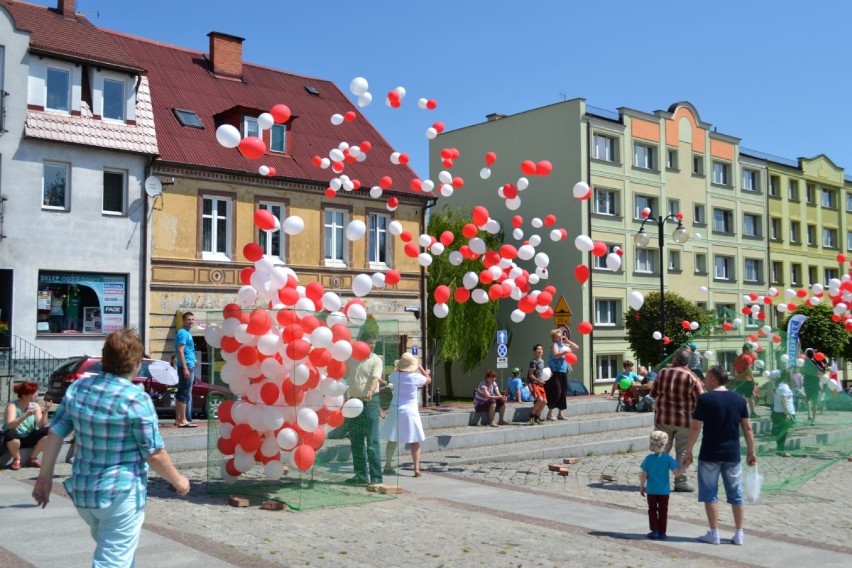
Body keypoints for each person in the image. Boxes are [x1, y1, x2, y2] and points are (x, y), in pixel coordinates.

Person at [32, 328, 189, 566]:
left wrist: (44, 478)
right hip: (120, 495)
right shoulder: (136, 399)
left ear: (104, 358)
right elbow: (154, 453)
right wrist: (178, 481)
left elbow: (55, 433)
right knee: (112, 562)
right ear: (137, 363)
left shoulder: (79, 389)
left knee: (118, 555)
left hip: (85, 494)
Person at [682, 365, 756, 546]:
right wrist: (751, 452)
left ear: (714, 379)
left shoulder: (705, 399)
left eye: (707, 377)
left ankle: (714, 533)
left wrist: (689, 450)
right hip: (732, 453)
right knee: (736, 494)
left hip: (710, 453)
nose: (705, 381)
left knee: (709, 494)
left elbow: (696, 427)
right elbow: (747, 428)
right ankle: (739, 533)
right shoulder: (739, 399)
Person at [650, 348, 705, 492]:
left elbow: (653, 393)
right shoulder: (692, 377)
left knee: (661, 450)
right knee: (682, 451)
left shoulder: (662, 373)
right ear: (687, 362)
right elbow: (702, 397)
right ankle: (680, 482)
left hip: (663, 417)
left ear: (675, 359)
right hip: (684, 420)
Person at [382, 353, 431, 477]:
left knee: (392, 438)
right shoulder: (415, 377)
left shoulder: (394, 375)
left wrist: (398, 367)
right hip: (410, 410)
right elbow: (428, 379)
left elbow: (392, 375)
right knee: (414, 440)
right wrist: (420, 367)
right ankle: (416, 468)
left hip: (395, 408)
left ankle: (387, 464)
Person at [345, 333, 384, 485]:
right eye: (369, 342)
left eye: (374, 343)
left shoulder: (376, 360)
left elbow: (375, 378)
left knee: (372, 441)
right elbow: (344, 373)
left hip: (370, 403)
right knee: (356, 440)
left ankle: (376, 478)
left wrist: (370, 390)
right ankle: (360, 476)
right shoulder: (351, 358)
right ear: (361, 343)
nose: (372, 345)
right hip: (354, 403)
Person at [639, 430, 679, 540]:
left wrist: (642, 487)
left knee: (652, 510)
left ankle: (654, 530)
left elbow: (643, 475)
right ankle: (662, 532)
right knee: (663, 511)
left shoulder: (648, 459)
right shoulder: (668, 459)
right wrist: (685, 466)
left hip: (651, 490)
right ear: (666, 445)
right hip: (664, 491)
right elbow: (676, 473)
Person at [3, 382, 51, 470]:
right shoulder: (12, 406)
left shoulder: (35, 406)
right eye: (33, 393)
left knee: (52, 431)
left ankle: (32, 458)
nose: (36, 395)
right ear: (24, 395)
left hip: (28, 436)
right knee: (11, 434)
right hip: (14, 438)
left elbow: (41, 425)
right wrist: (25, 415)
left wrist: (46, 411)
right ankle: (17, 459)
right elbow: (10, 426)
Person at [545, 329, 578, 421]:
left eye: (560, 336)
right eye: (557, 336)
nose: (559, 338)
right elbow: (555, 355)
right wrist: (565, 352)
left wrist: (567, 341)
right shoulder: (554, 345)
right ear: (553, 338)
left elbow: (576, 348)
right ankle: (550, 413)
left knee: (563, 392)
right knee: (556, 392)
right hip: (554, 371)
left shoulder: (564, 345)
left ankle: (560, 413)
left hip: (563, 371)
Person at [174, 312, 197, 428]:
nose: (191, 321)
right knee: (184, 393)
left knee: (180, 392)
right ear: (183, 320)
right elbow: (180, 350)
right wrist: (185, 368)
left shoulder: (184, 333)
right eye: (188, 319)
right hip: (186, 365)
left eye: (192, 319)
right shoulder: (183, 333)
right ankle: (183, 419)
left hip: (187, 364)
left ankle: (179, 419)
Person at [771, 370, 796, 456]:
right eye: (791, 375)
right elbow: (784, 400)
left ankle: (780, 449)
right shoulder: (783, 387)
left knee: (783, 431)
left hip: (783, 413)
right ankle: (781, 450)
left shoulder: (783, 386)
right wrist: (787, 413)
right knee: (782, 432)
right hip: (782, 413)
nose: (792, 377)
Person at [732, 344, 758, 419]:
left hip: (739, 381)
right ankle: (752, 413)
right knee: (750, 397)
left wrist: (736, 376)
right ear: (747, 349)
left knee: (739, 397)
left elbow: (733, 371)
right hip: (747, 380)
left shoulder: (737, 358)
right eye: (751, 349)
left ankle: (738, 413)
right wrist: (753, 380)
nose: (751, 351)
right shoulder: (747, 357)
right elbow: (749, 370)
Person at [802, 348, 825, 423]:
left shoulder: (804, 362)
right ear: (813, 355)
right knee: (815, 401)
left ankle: (809, 414)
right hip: (815, 382)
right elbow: (821, 373)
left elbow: (801, 371)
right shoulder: (817, 363)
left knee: (808, 398)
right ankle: (813, 419)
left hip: (807, 381)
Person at [527, 344, 548, 424]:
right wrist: (539, 381)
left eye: (541, 349)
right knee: (540, 400)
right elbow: (530, 375)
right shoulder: (533, 362)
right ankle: (531, 416)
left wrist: (547, 376)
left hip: (540, 384)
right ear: (534, 351)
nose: (540, 351)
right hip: (533, 384)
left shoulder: (542, 361)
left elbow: (541, 374)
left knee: (545, 401)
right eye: (538, 349)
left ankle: (536, 417)